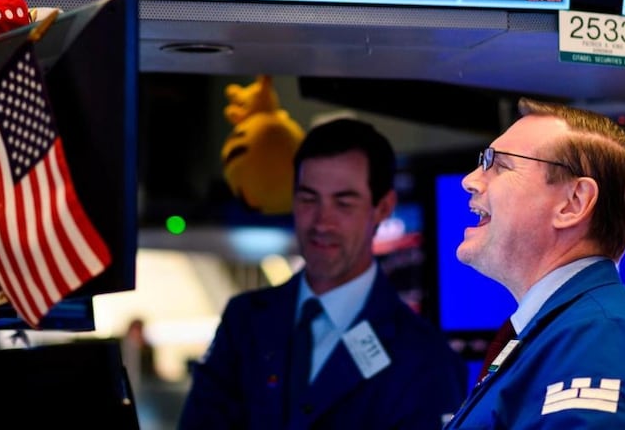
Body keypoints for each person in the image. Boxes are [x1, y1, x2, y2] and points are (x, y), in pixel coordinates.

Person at [179, 118, 469, 430]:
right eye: (308, 198)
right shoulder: (244, 322)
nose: (321, 222)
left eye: (343, 203)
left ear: (383, 208)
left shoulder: (425, 358)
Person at [444, 98, 625, 429]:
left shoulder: (604, 339)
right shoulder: (566, 334)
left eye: (499, 165)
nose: (471, 180)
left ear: (573, 203)